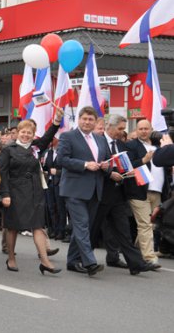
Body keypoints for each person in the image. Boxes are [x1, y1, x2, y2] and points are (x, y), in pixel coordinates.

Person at [88, 115, 158, 276]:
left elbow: (125, 165)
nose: (122, 132)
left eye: (123, 128)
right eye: (120, 129)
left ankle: (136, 264)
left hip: (119, 193)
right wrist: (109, 174)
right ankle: (80, 258)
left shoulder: (121, 144)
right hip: (102, 192)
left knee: (123, 230)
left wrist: (130, 171)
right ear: (110, 127)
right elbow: (96, 165)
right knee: (93, 228)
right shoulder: (98, 141)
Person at [0, 118, 62, 275]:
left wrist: (55, 122)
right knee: (12, 227)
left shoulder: (36, 148)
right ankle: (11, 257)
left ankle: (45, 261)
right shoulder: (8, 150)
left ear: (34, 135)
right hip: (15, 193)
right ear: (17, 133)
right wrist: (5, 194)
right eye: (23, 132)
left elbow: (48, 137)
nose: (26, 135)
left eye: (29, 133)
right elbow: (2, 174)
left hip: (35, 193)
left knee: (38, 226)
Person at [56, 106, 108, 276]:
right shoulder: (68, 136)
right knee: (82, 225)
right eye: (84, 118)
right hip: (74, 189)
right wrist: (85, 164)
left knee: (83, 227)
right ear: (78, 119)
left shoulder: (100, 139)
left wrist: (107, 166)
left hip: (95, 190)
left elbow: (106, 160)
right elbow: (62, 160)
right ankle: (90, 262)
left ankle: (72, 261)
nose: (87, 122)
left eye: (90, 119)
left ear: (95, 122)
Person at [126, 119, 168, 266]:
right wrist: (143, 160)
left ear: (151, 129)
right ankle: (149, 258)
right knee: (145, 225)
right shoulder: (131, 145)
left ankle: (137, 251)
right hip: (139, 191)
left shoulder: (159, 146)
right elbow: (128, 167)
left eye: (146, 128)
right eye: (140, 129)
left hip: (157, 192)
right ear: (136, 130)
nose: (143, 131)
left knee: (150, 225)